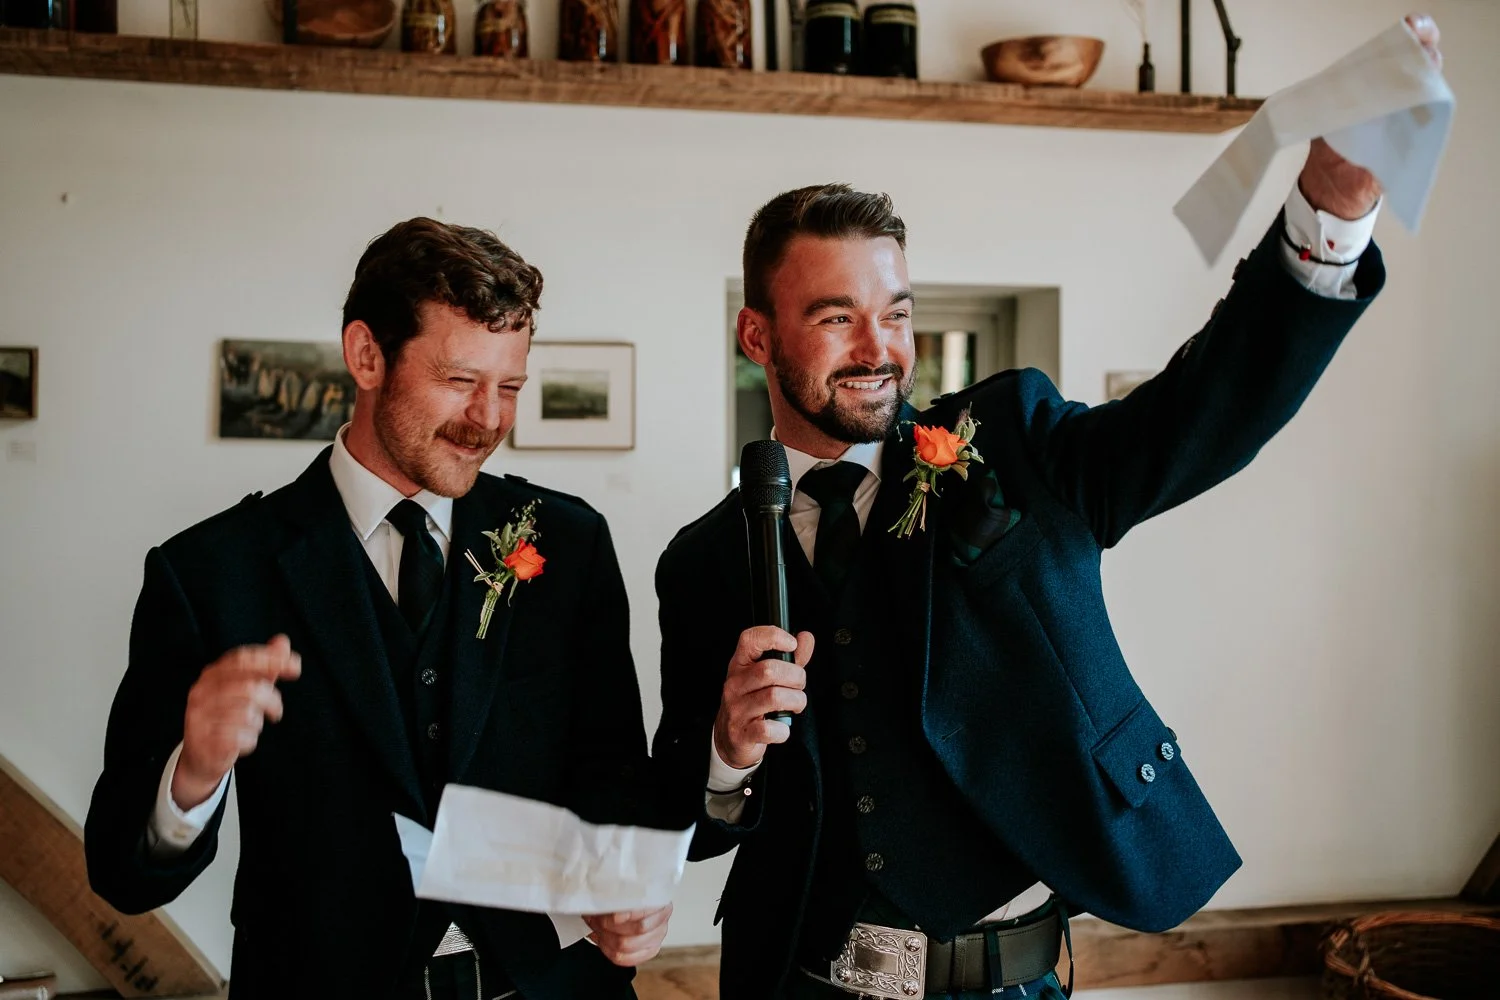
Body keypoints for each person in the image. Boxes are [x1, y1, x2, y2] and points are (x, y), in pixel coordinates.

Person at [652, 17, 1444, 1000]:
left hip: (1012, 984)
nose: (878, 345)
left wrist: (1329, 211)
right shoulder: (701, 562)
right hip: (802, 983)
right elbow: (685, 818)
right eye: (834, 316)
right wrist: (726, 757)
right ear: (756, 334)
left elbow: (1193, 420)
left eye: (894, 312)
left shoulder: (1009, 438)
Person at [86, 218, 672, 999]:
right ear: (366, 356)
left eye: (510, 388)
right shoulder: (211, 572)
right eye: (462, 381)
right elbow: (122, 876)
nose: (489, 419)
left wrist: (634, 890)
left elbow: (610, 775)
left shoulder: (568, 544)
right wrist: (192, 774)